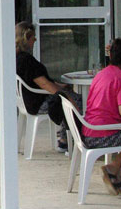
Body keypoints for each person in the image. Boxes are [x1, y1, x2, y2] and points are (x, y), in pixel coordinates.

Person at [84, 37, 121, 198]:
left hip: (89, 130)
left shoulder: (102, 74)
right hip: (103, 135)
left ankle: (115, 170)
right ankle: (118, 173)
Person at [15, 21, 77, 149]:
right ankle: (66, 140)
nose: (36, 39)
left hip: (27, 101)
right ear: (26, 39)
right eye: (33, 37)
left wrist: (61, 86)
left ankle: (66, 135)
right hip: (38, 102)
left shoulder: (17, 58)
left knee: (69, 96)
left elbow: (41, 80)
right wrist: (63, 93)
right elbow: (44, 84)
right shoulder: (27, 61)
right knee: (76, 101)